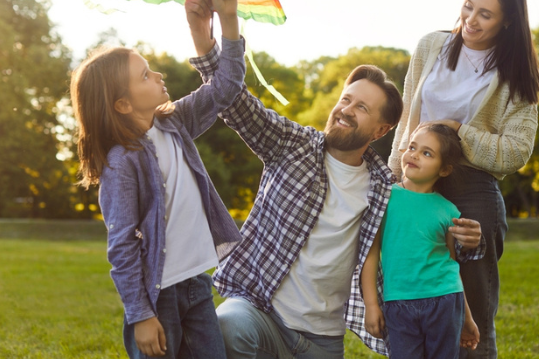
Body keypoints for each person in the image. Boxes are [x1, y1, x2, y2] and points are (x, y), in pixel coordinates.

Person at [207, 61, 484, 359]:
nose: (347, 109)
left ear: (381, 130)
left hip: (320, 340)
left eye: (362, 107)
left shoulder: (383, 190)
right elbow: (237, 104)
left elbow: (429, 247)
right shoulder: (293, 147)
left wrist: (470, 241)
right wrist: (214, 38)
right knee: (228, 326)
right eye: (345, 99)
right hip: (259, 312)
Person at [70, 0, 245, 359]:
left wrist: (227, 22)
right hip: (158, 296)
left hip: (197, 284)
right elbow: (122, 246)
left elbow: (226, 87)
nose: (159, 77)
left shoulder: (173, 123)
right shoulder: (122, 162)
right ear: (121, 104)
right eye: (146, 76)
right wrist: (140, 314)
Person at [389, 0, 539, 359]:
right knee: (410, 292)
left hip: (471, 189)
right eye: (468, 7)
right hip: (416, 180)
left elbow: (515, 153)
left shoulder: (515, 76)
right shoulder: (431, 47)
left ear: (508, 20)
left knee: (468, 304)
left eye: (485, 15)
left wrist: (460, 131)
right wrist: (395, 176)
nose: (471, 21)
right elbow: (408, 115)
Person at [362, 123, 480, 358]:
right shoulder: (384, 198)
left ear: (444, 170)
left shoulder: (449, 211)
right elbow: (370, 252)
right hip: (398, 303)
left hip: (445, 301)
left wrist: (466, 318)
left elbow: (452, 264)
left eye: (427, 153)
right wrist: (371, 304)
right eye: (412, 147)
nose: (414, 155)